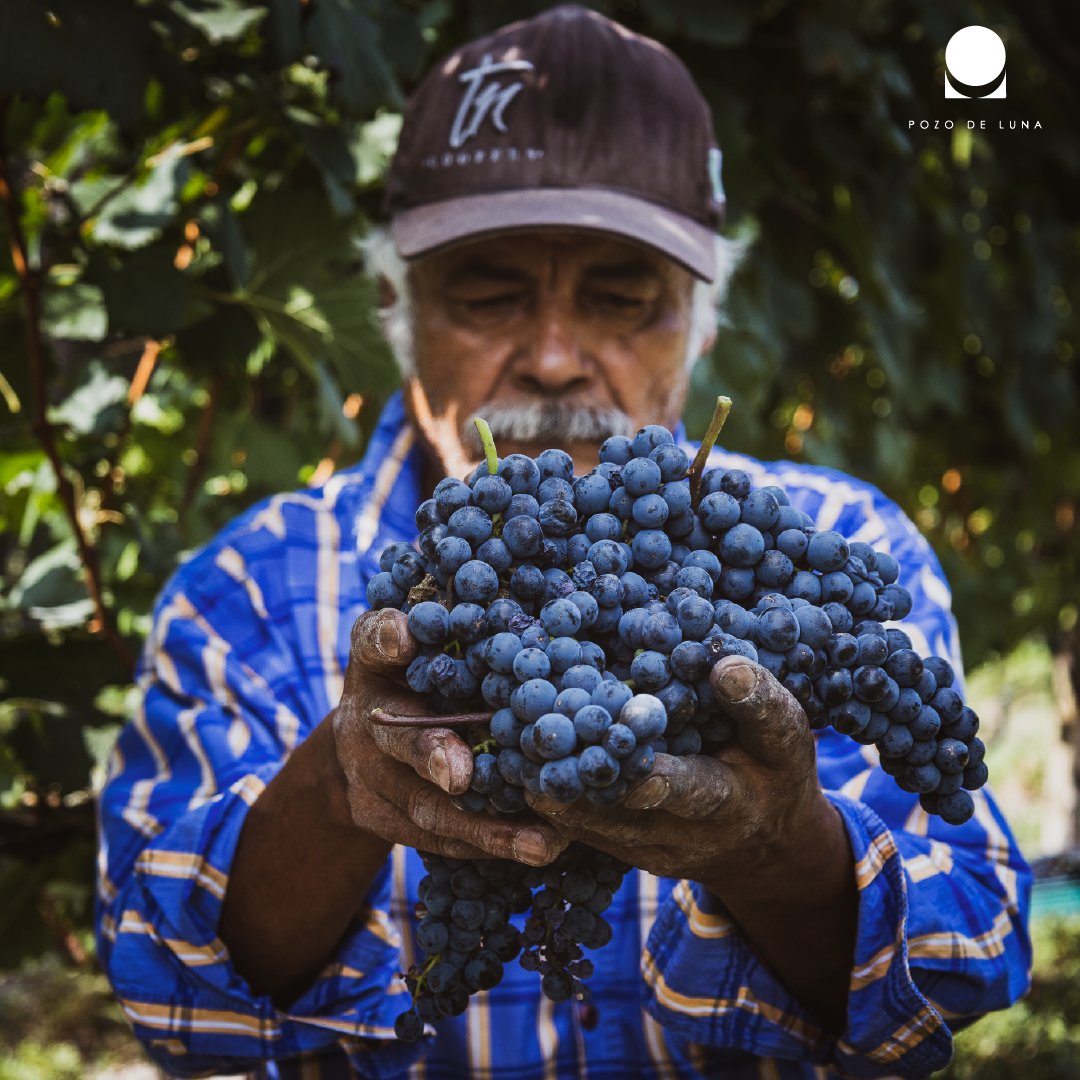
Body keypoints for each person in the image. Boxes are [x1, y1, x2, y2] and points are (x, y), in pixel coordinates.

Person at [96, 7, 1032, 1078]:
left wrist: (779, 854)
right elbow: (162, 991)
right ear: (396, 307)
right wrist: (335, 790)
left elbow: (970, 951)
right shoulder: (241, 592)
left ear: (705, 317)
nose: (551, 358)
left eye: (622, 296)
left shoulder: (843, 551)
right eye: (490, 293)